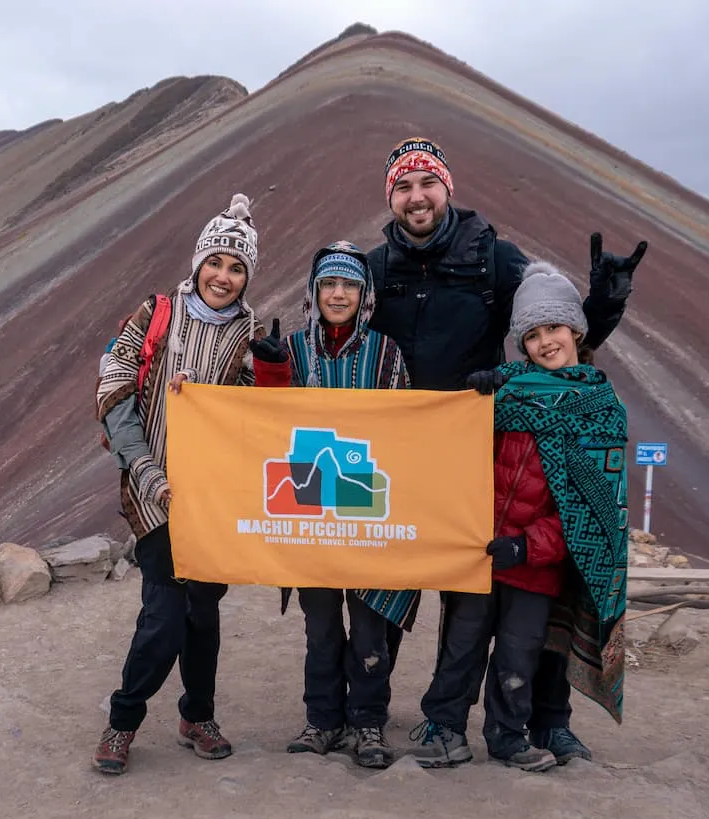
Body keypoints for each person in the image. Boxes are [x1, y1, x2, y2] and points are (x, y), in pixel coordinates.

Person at [365, 136, 645, 765]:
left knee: (531, 602)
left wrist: (604, 303)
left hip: (488, 445)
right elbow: (343, 331)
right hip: (401, 458)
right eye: (403, 187)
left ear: (446, 189)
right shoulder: (377, 268)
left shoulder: (493, 258)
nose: (417, 197)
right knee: (391, 589)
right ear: (391, 198)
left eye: (427, 183)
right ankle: (375, 717)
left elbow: (553, 329)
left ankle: (544, 723)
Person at [409, 262, 630, 770]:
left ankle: (508, 737)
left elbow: (591, 511)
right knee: (460, 647)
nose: (545, 342)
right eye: (531, 334)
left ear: (576, 330)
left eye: (553, 328)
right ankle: (444, 729)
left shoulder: (600, 407)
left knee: (519, 653)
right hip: (480, 554)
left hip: (535, 563)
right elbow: (460, 461)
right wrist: (475, 403)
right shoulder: (503, 393)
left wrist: (529, 545)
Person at [92, 193, 265, 775]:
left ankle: (197, 716)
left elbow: (255, 420)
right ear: (198, 262)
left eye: (236, 267)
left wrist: (256, 381)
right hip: (152, 490)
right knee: (165, 614)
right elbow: (115, 382)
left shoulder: (250, 334)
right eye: (215, 261)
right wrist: (144, 468)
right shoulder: (157, 313)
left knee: (203, 613)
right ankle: (123, 721)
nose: (223, 276)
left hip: (210, 498)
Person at [250, 241, 412, 769]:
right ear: (314, 292)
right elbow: (263, 423)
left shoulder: (386, 353)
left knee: (369, 627)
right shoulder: (291, 350)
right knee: (319, 626)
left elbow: (409, 429)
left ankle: (368, 722)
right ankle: (322, 720)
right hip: (310, 511)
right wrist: (270, 373)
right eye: (329, 284)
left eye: (349, 286)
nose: (338, 294)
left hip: (366, 509)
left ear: (364, 295)